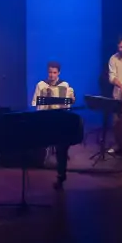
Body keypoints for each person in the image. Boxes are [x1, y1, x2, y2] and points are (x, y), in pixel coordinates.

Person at [31, 61, 75, 189]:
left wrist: (71, 99)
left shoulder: (65, 85)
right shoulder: (41, 85)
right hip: (46, 119)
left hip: (60, 120)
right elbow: (35, 103)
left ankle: (61, 175)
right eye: (50, 72)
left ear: (59, 73)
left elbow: (68, 105)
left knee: (62, 148)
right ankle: (41, 158)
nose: (52, 75)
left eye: (54, 73)